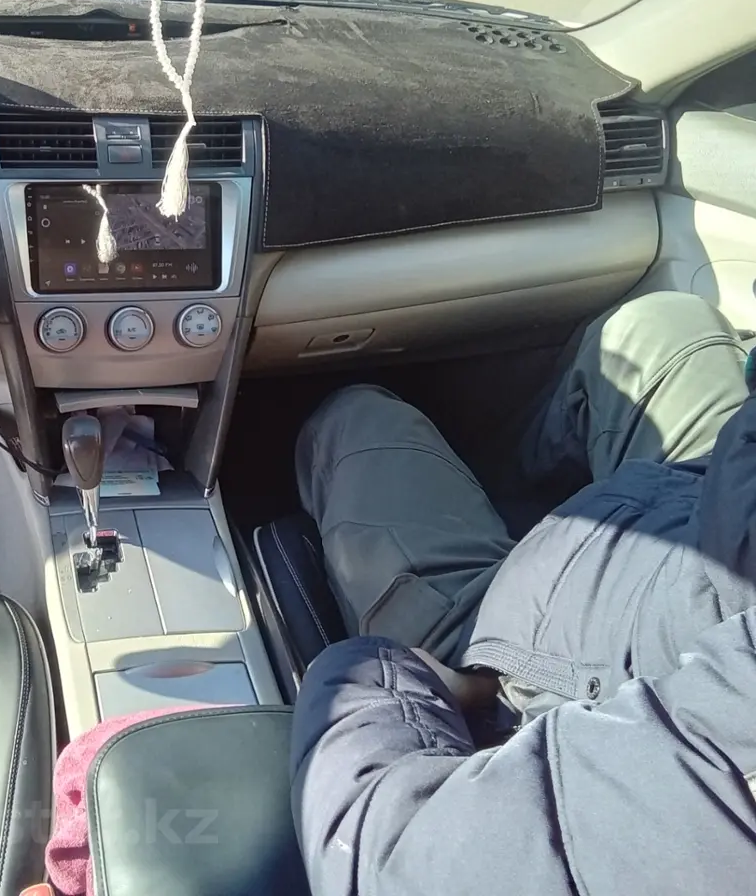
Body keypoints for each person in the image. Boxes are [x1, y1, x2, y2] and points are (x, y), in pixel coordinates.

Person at [289, 291, 756, 895]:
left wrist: (382, 678)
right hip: (698, 516)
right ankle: (489, 485)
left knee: (354, 416)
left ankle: (460, 493)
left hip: (508, 662)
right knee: (660, 323)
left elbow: (390, 862)